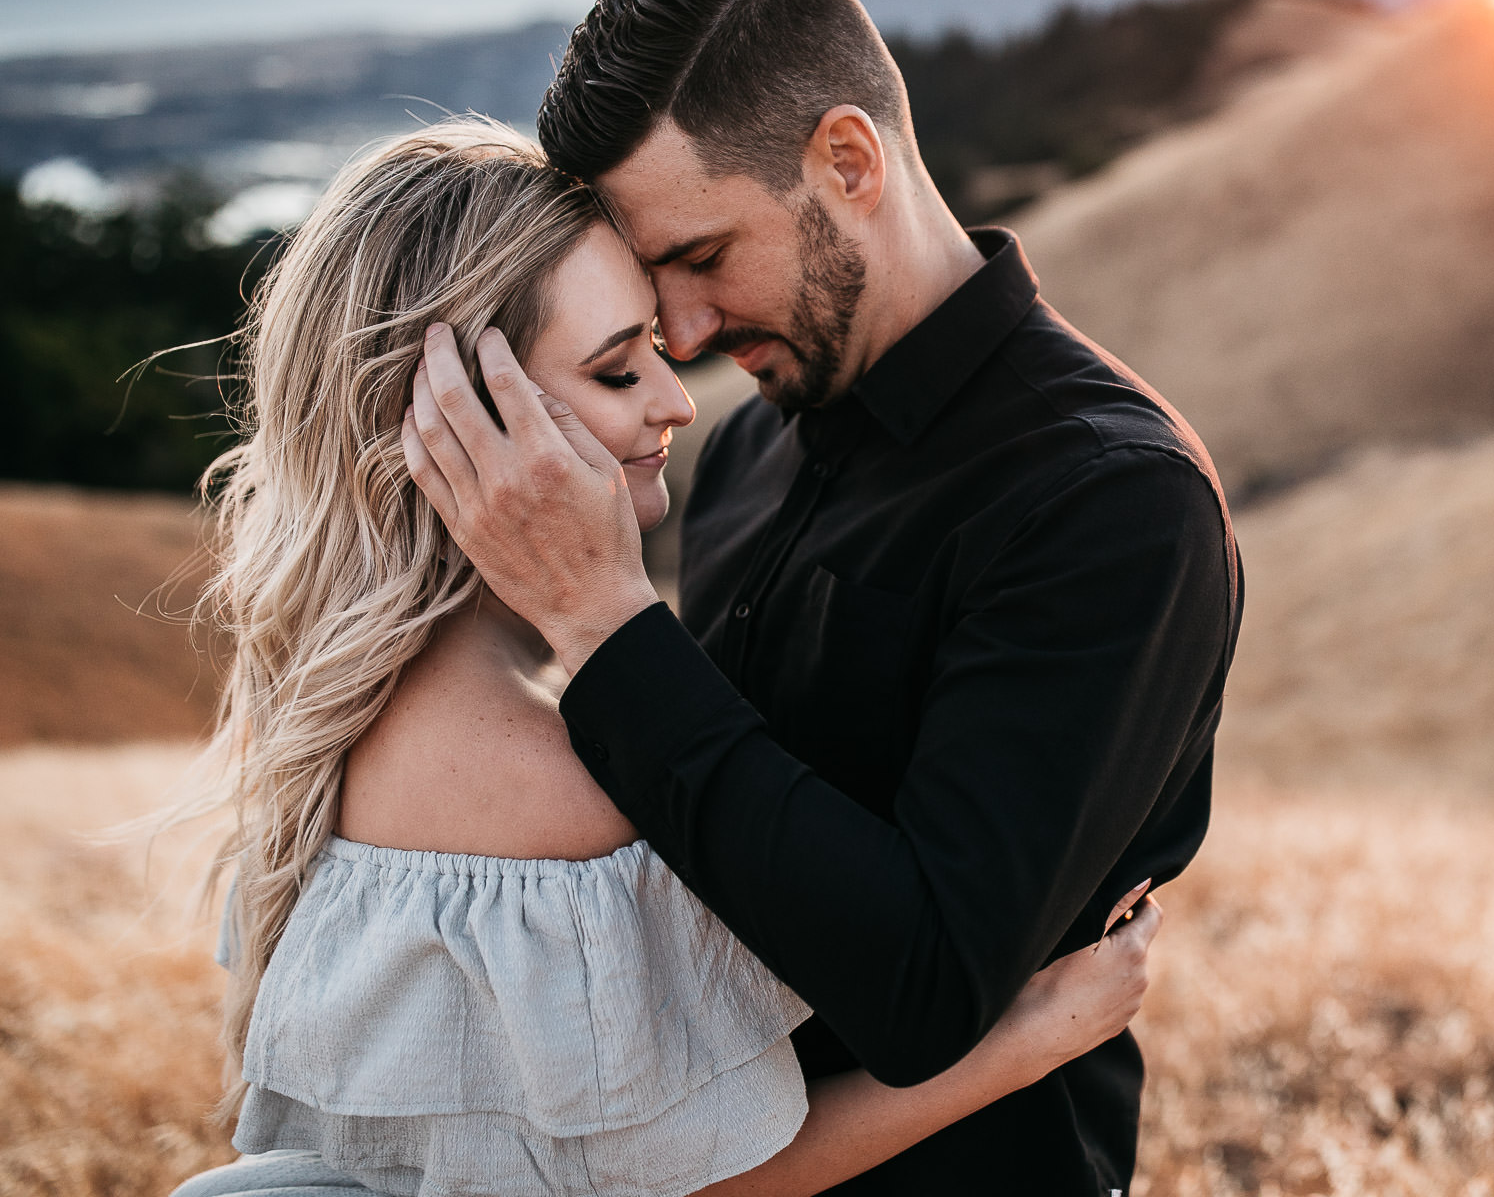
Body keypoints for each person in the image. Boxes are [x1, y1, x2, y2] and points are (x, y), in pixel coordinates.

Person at [163, 119, 1163, 1197]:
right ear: (458, 420)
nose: (676, 398)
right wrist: (1033, 1037)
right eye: (614, 368)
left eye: (651, 345)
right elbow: (689, 1187)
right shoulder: (540, 778)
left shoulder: (384, 681)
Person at [402, 0, 1245, 1194]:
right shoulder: (749, 455)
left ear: (849, 161)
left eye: (702, 257)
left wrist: (605, 624)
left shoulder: (1110, 501)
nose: (682, 330)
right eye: (656, 279)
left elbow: (923, 990)